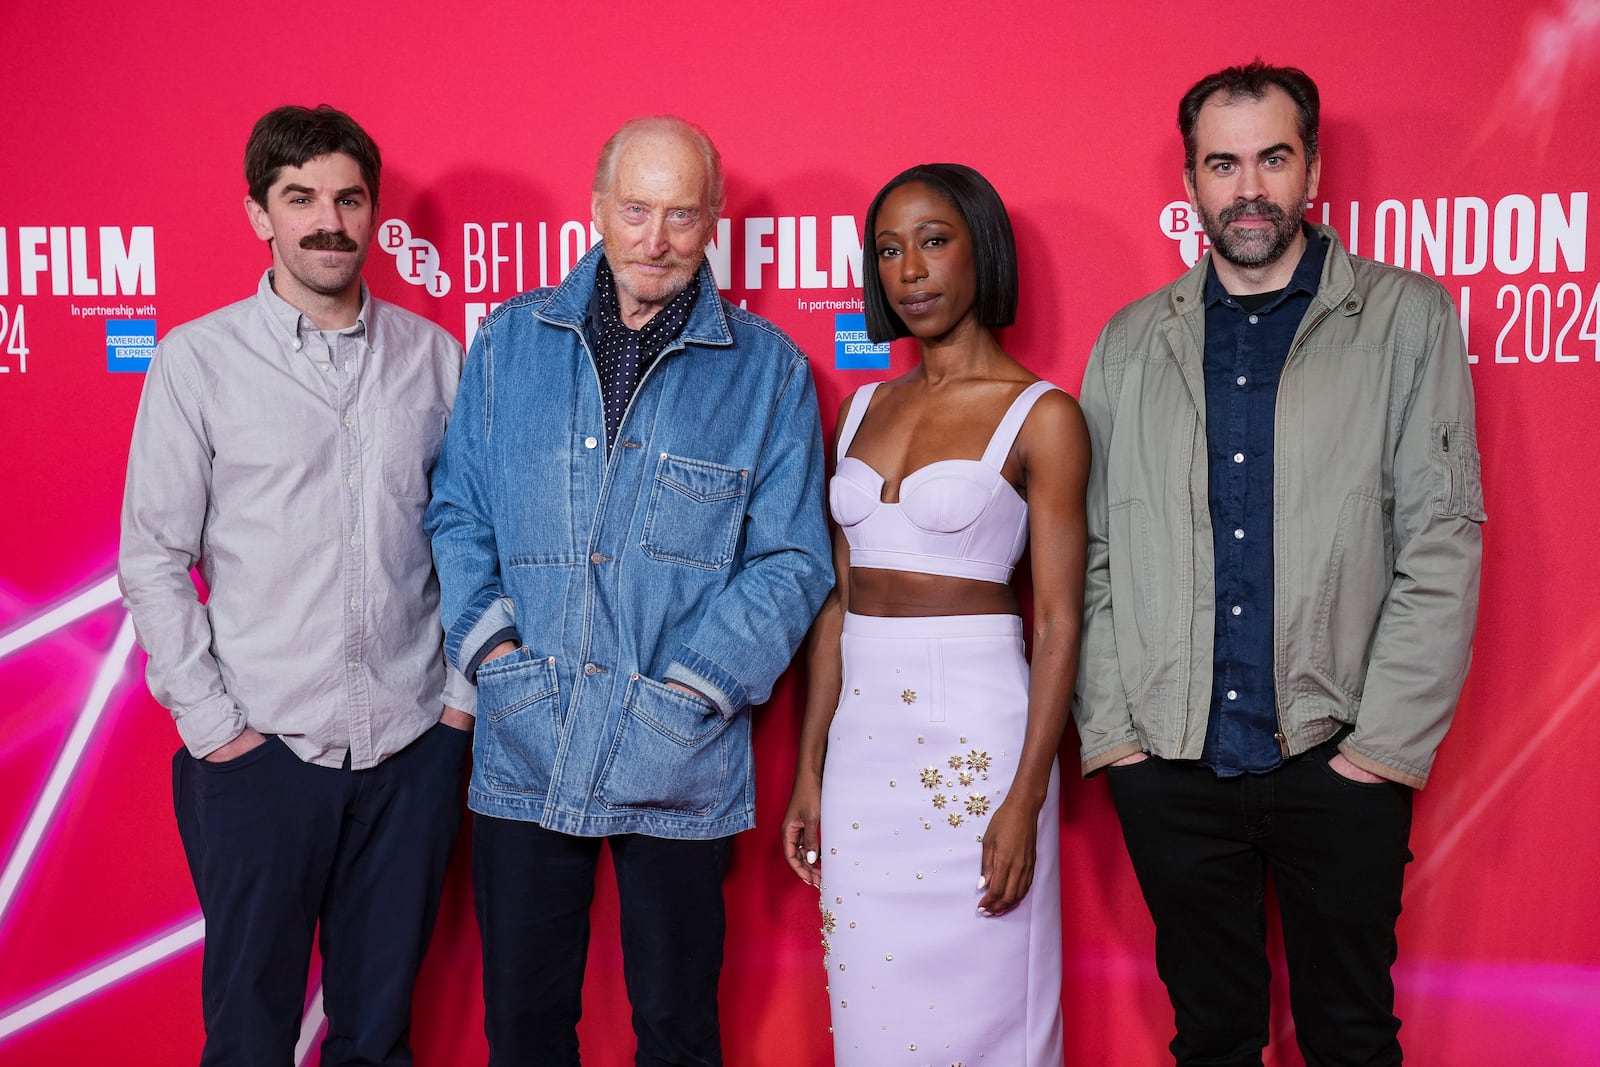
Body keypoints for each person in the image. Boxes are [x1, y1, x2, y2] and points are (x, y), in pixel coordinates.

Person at [1074, 60, 1485, 1066]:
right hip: (1172, 764)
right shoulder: (1128, 345)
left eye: (1271, 158)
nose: (1247, 186)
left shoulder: (1404, 318)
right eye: (1222, 163)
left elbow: (1442, 540)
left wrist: (1378, 754)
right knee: (1210, 1037)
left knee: (1349, 1034)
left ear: (1312, 169)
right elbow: (1091, 556)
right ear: (1190, 184)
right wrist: (1120, 737)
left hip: (1335, 754)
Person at [425, 115, 833, 1066]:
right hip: (527, 736)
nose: (657, 239)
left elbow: (792, 560)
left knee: (678, 1030)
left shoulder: (767, 371)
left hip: (679, 754)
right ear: (600, 207)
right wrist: (493, 654)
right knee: (523, 1029)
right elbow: (457, 514)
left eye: (682, 214)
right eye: (638, 209)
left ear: (714, 220)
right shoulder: (510, 342)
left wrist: (696, 689)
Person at [118, 105, 473, 1066]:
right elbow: (152, 554)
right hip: (257, 754)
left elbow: (479, 538)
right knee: (246, 1035)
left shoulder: (438, 360)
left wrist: (458, 710)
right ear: (258, 214)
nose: (329, 220)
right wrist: (215, 728)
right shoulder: (198, 360)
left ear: (374, 212)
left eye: (349, 198)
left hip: (409, 752)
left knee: (379, 1033)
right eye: (301, 197)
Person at [782, 163, 1088, 1065]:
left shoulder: (1044, 416)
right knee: (872, 1013)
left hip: (979, 744)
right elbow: (839, 603)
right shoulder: (861, 405)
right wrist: (810, 766)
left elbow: (1062, 620)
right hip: (864, 756)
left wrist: (1025, 797)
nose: (910, 269)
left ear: (980, 248)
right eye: (888, 249)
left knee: (990, 1010)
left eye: (934, 240)